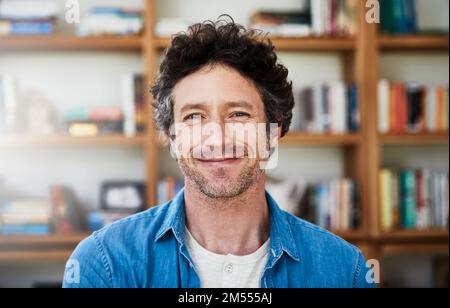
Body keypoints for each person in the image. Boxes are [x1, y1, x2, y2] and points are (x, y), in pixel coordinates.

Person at [63, 17, 375, 288]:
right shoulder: (103, 265)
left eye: (238, 114)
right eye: (194, 117)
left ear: (272, 133)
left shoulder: (345, 270)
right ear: (172, 138)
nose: (217, 138)